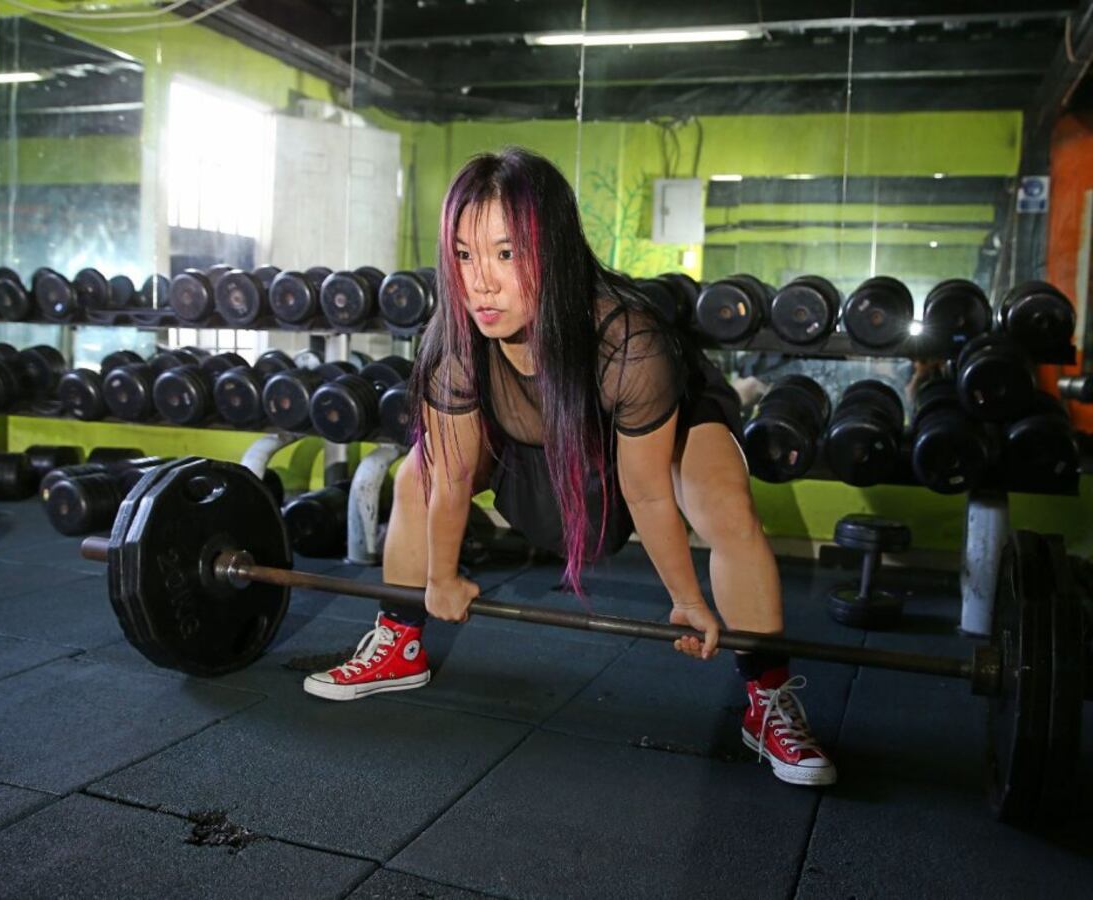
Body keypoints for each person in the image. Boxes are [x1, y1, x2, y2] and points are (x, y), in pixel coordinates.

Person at [303, 147, 836, 787]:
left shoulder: (626, 342)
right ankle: (400, 639)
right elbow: (448, 478)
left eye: (506, 254)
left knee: (722, 499)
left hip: (647, 429)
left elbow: (644, 491)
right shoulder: (457, 340)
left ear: (551, 251)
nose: (482, 283)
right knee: (418, 469)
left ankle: (767, 695)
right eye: (465, 256)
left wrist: (686, 600)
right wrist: (441, 578)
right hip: (535, 434)